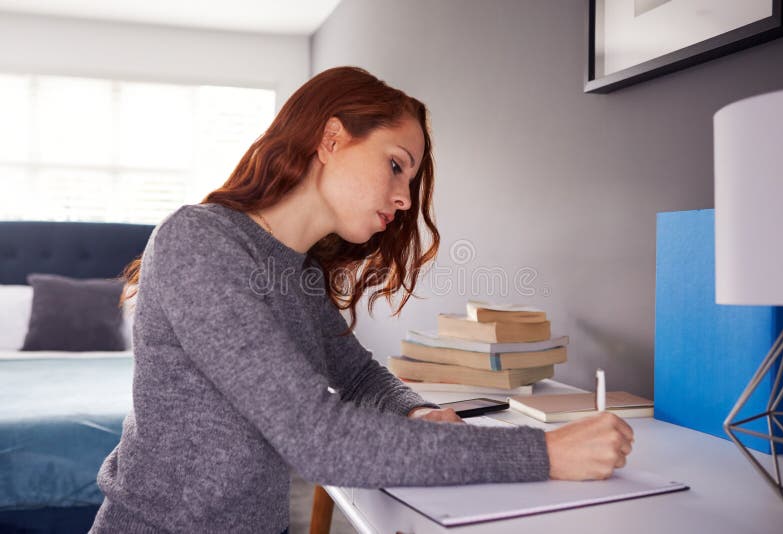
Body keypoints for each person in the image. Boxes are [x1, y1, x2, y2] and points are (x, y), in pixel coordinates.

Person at [90, 66, 634, 533]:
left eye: (410, 180)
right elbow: (318, 439)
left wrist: (417, 409)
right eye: (396, 165)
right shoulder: (198, 241)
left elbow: (359, 377)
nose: (403, 198)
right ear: (330, 140)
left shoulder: (296, 273)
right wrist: (544, 454)